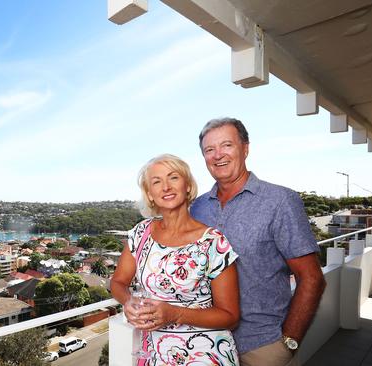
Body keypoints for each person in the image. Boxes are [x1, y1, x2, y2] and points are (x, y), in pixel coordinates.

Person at [190, 118, 326, 366]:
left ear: (245, 148)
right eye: (209, 149)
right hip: (205, 345)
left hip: (261, 347)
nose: (218, 155)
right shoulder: (197, 207)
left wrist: (288, 342)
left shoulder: (280, 201)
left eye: (227, 145)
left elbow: (312, 278)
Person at [111, 154, 241, 365]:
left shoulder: (213, 242)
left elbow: (231, 317)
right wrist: (129, 301)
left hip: (205, 354)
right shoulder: (140, 233)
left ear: (187, 186)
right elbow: (117, 282)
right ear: (150, 195)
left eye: (173, 177)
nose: (166, 187)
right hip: (153, 354)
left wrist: (174, 314)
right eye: (156, 181)